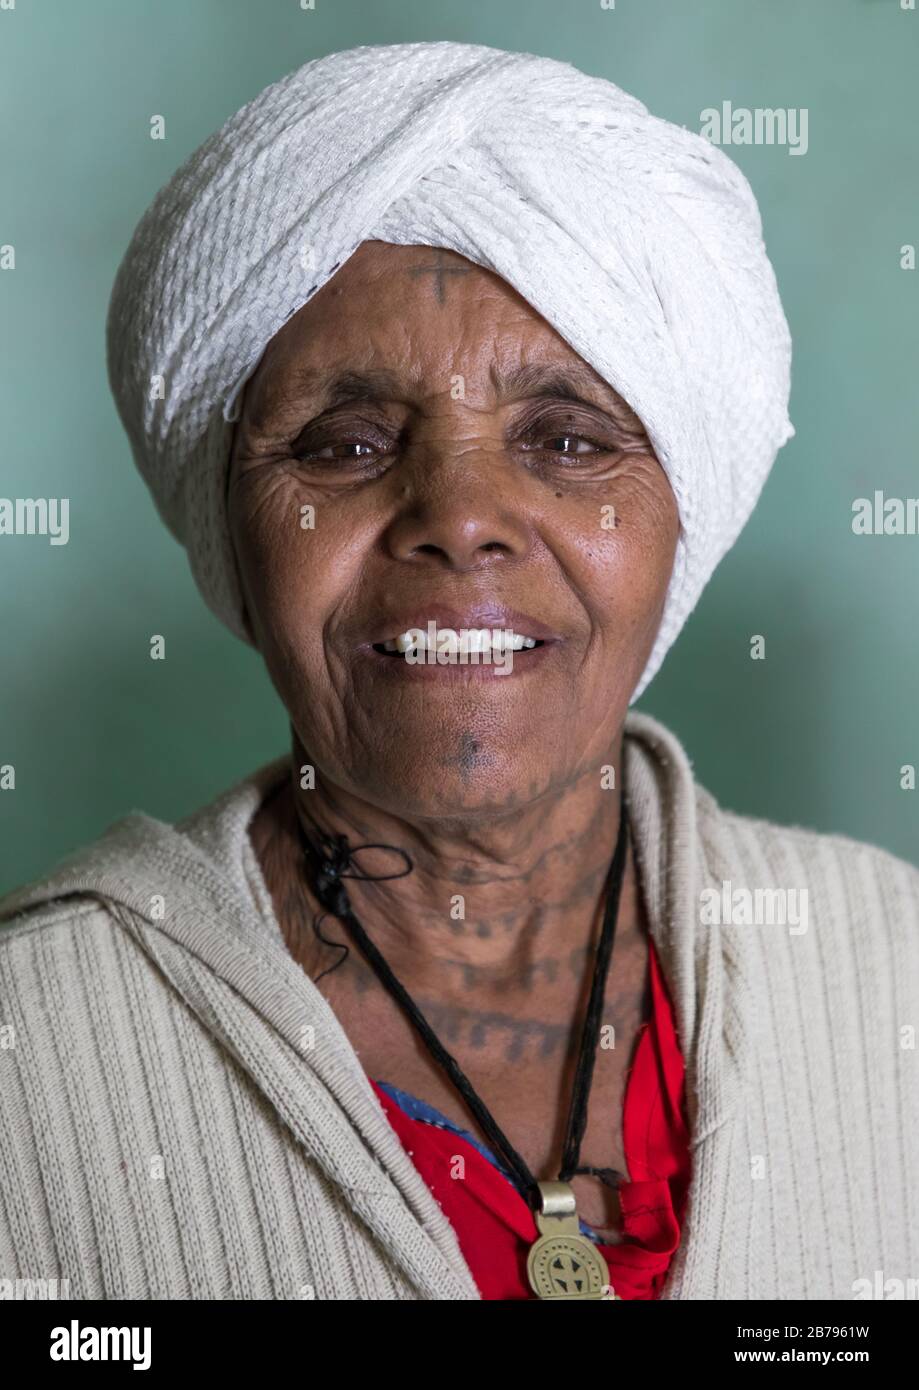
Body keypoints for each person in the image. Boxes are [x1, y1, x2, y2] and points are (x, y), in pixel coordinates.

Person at [1, 41, 917, 1302]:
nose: (463, 514)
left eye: (568, 439)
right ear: (236, 529)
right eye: (349, 441)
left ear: (678, 513)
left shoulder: (889, 968)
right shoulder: (30, 1053)